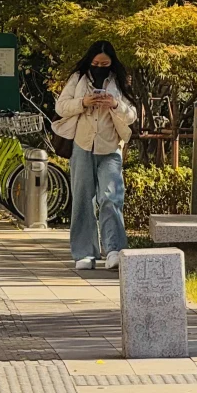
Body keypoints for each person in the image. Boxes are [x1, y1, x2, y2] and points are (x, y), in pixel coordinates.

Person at [55, 39, 136, 272]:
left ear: (112, 64)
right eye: (96, 62)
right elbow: (61, 107)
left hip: (110, 147)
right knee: (82, 199)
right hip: (82, 145)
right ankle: (84, 253)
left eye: (105, 63)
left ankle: (114, 250)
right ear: (89, 61)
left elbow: (131, 115)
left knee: (111, 197)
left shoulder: (119, 81)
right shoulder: (78, 79)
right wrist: (84, 102)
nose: (99, 66)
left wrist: (114, 104)